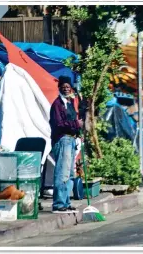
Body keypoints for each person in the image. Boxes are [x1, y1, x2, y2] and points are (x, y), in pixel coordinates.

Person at [49, 76, 83, 213]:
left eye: (68, 87)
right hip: (62, 140)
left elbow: (73, 122)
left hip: (71, 140)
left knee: (69, 174)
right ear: (60, 88)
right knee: (62, 173)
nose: (66, 88)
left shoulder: (69, 104)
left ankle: (66, 202)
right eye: (63, 87)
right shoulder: (57, 104)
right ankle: (58, 204)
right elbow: (59, 124)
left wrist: (78, 131)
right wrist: (76, 124)